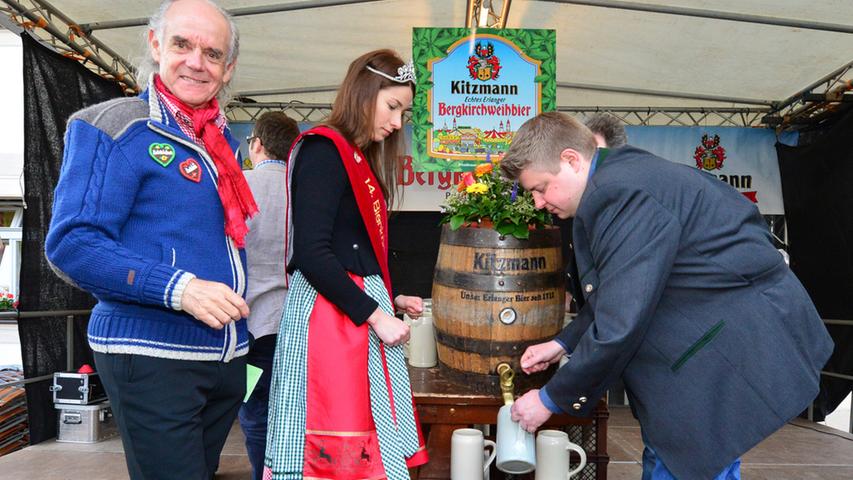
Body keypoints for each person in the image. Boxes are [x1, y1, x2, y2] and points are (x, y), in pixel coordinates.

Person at [501, 112, 833, 479]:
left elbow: (621, 318)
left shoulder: (619, 193)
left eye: (541, 187)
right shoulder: (623, 177)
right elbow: (621, 289)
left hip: (723, 357)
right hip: (708, 359)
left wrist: (550, 399)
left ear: (571, 159)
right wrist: (563, 344)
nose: (537, 203)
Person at [45, 1, 255, 478]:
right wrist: (179, 287)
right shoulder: (116, 124)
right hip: (154, 353)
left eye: (213, 53)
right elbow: (72, 244)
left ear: (228, 69)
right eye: (182, 44)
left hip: (225, 357)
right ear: (156, 45)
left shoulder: (220, 144)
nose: (196, 62)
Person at [264, 49, 428, 480]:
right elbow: (314, 255)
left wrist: (389, 296)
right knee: (336, 439)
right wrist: (376, 314)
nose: (396, 123)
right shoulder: (323, 149)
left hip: (353, 313)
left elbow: (349, 248)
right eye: (392, 106)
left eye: (403, 113)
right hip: (331, 320)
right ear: (364, 91)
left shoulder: (355, 156)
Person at [239, 111, 299, 480]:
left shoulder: (238, 185)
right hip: (296, 327)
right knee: (294, 415)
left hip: (248, 328)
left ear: (257, 144)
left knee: (253, 412)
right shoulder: (305, 190)